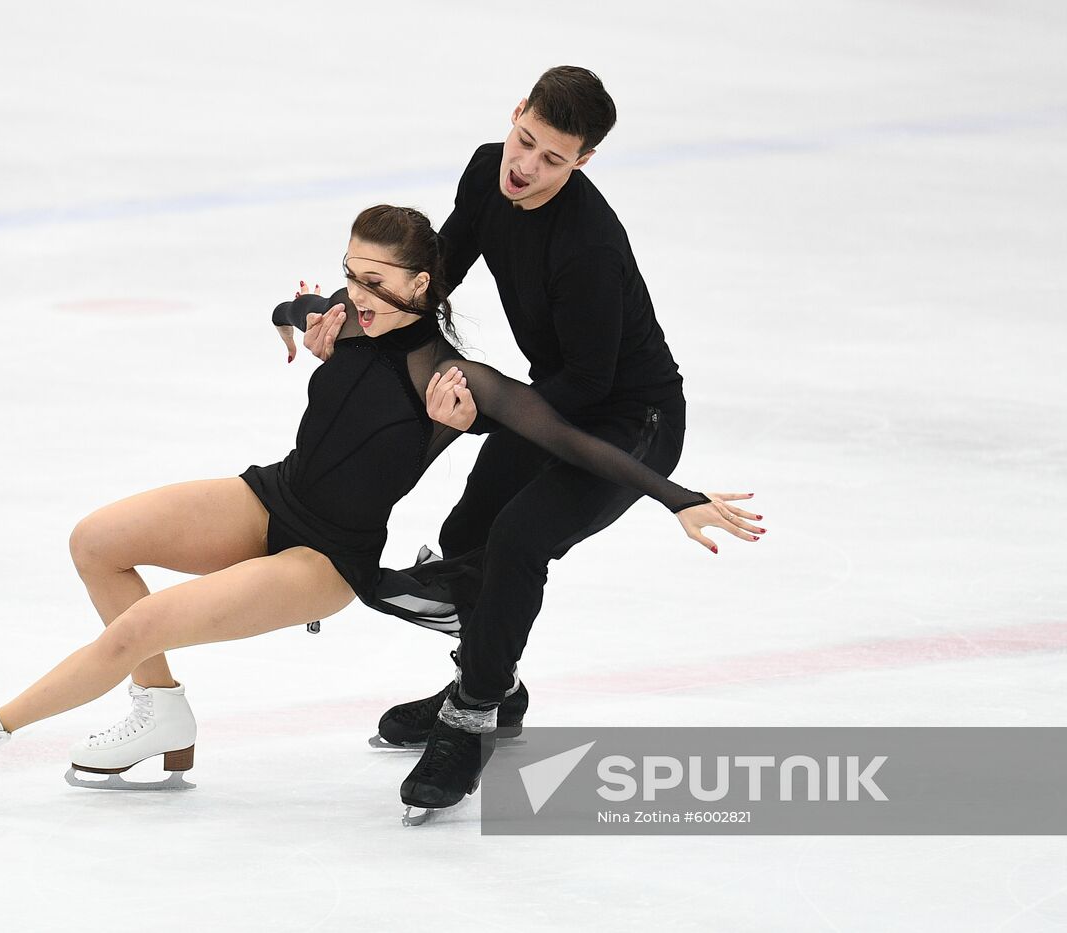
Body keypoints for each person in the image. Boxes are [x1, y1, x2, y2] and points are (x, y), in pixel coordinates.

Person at [0, 205, 763, 808]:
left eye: (379, 284)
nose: (358, 296)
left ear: (426, 285)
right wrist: (300, 321)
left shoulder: (451, 379)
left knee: (136, 626)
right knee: (96, 541)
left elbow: (570, 439)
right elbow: (287, 302)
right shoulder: (346, 314)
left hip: (325, 557)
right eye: (351, 275)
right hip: (270, 495)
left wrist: (675, 494)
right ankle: (161, 713)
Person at [291, 67, 748, 808]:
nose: (525, 166)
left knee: (517, 536)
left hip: (633, 423)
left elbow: (593, 385)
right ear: (515, 115)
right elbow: (436, 281)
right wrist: (352, 311)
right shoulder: (484, 170)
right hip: (553, 400)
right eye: (525, 139)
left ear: (583, 163)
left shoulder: (589, 243)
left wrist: (483, 413)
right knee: (466, 530)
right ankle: (491, 684)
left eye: (552, 158)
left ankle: (469, 718)